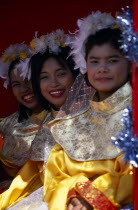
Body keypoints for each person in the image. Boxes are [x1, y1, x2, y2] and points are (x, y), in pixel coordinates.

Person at [43, 12, 132, 210]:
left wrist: (93, 198)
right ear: (85, 65)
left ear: (129, 63)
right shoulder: (69, 126)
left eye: (112, 60)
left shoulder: (134, 117)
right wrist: (74, 196)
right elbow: (55, 177)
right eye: (94, 61)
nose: (102, 69)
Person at [0, 29, 80, 210]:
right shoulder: (50, 121)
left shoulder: (95, 115)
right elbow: (28, 177)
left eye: (60, 74)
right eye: (44, 77)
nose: (53, 83)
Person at [0, 43, 47, 192]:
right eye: (16, 84)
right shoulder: (6, 124)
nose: (24, 89)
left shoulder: (60, 117)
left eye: (28, 80)